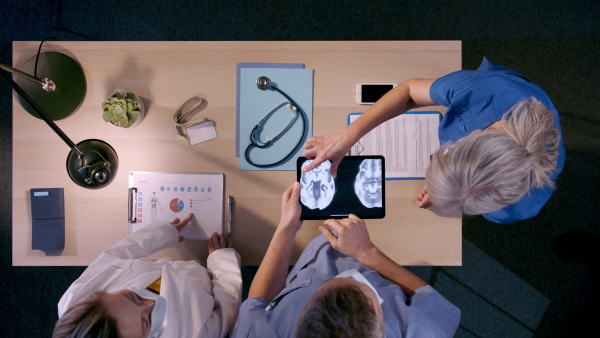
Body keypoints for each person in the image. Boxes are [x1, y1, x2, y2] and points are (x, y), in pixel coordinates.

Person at [303, 57, 565, 224]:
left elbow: (473, 193)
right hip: (506, 88)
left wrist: (448, 193)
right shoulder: (481, 90)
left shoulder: (517, 207)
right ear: (472, 135)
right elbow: (408, 90)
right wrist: (349, 135)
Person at [232, 183, 460, 337]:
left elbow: (258, 303)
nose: (347, 272)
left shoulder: (256, 334)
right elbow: (428, 296)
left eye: (322, 289)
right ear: (380, 321)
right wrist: (366, 253)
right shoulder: (430, 328)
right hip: (375, 247)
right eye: (360, 285)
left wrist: (287, 227)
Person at [53, 213, 242, 338]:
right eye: (146, 321)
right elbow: (228, 305)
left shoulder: (75, 300)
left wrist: (163, 233)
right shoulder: (192, 333)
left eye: (131, 296)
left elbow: (118, 254)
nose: (151, 302)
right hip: (205, 277)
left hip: (166, 263)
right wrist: (220, 260)